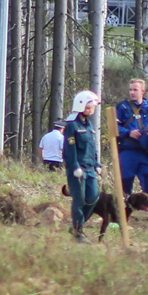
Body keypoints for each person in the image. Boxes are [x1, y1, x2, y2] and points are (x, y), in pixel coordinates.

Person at [62, 90, 102, 241]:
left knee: (93, 198)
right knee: (79, 200)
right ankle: (78, 231)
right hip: (78, 170)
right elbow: (69, 149)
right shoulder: (72, 125)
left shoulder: (89, 124)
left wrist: (97, 163)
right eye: (90, 105)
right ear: (82, 105)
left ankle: (77, 225)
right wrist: (74, 166)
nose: (92, 108)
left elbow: (92, 146)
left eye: (93, 106)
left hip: (90, 168)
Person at [114, 78, 148, 201]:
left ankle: (147, 206)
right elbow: (114, 127)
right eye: (130, 90)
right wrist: (128, 133)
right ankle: (124, 208)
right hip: (127, 150)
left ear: (143, 91)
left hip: (144, 151)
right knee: (126, 181)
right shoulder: (122, 107)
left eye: (135, 90)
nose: (132, 92)